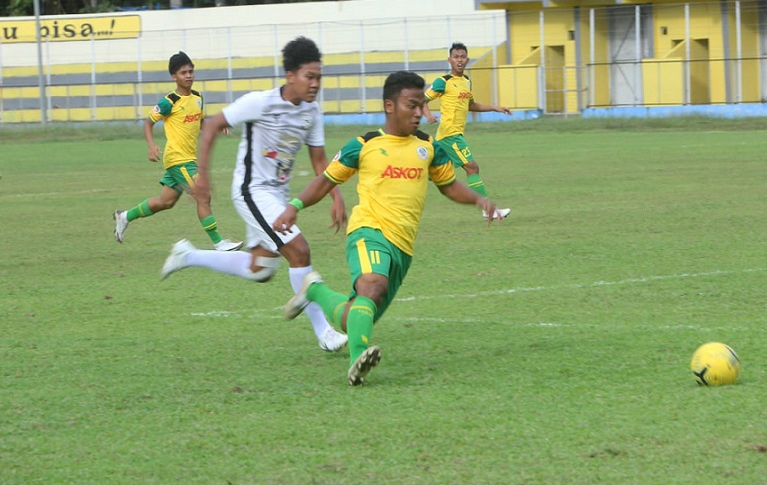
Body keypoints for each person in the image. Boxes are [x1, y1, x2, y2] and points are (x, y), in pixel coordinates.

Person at [274, 70, 502, 386]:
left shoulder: (428, 146)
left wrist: (479, 200)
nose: (421, 113)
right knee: (372, 285)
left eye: (422, 105)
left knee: (355, 314)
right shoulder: (364, 145)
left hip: (403, 247)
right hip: (368, 231)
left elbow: (448, 186)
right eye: (412, 105)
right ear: (390, 106)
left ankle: (314, 290)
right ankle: (357, 364)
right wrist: (293, 207)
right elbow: (325, 180)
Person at [159, 36, 349, 353]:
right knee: (299, 251)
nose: (315, 84)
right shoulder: (260, 102)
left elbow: (319, 159)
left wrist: (336, 196)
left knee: (260, 269)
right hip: (251, 190)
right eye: (309, 77)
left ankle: (187, 255)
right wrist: (203, 177)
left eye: (319, 77)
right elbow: (212, 126)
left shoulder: (312, 113)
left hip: (277, 193)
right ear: (291, 76)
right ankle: (325, 333)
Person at [114, 51, 243, 251]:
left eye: (191, 71)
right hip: (178, 158)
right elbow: (148, 123)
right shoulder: (169, 101)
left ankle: (124, 216)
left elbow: (199, 122)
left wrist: (215, 126)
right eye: (184, 72)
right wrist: (151, 146)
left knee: (165, 202)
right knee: (203, 194)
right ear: (174, 76)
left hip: (187, 158)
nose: (189, 75)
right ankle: (219, 242)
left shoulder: (198, 98)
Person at [423, 41, 512, 220]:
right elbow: (422, 99)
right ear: (449, 60)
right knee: (472, 167)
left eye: (463, 57)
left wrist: (495, 107)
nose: (460, 60)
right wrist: (429, 117)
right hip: (450, 134)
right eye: (456, 57)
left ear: (468, 59)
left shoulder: (466, 82)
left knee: (433, 173)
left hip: (450, 136)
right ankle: (489, 210)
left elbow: (471, 105)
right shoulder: (443, 82)